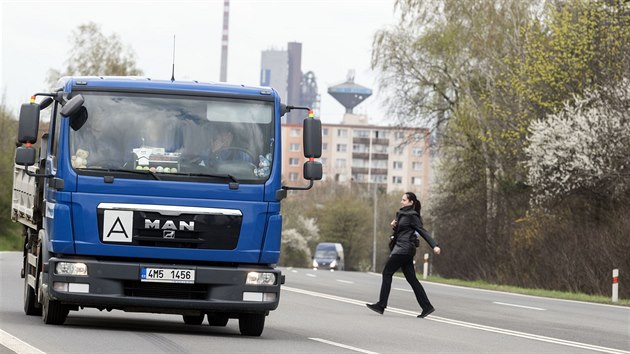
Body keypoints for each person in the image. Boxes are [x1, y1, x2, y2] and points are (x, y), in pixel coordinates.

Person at [366, 192, 441, 318]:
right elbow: (402, 232)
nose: (402, 201)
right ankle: (427, 307)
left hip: (403, 249)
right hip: (404, 249)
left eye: (404, 200)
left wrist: (434, 245)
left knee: (387, 273)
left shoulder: (412, 215)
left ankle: (381, 305)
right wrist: (394, 226)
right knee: (412, 279)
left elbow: (422, 231)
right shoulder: (402, 214)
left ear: (411, 202)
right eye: (402, 199)